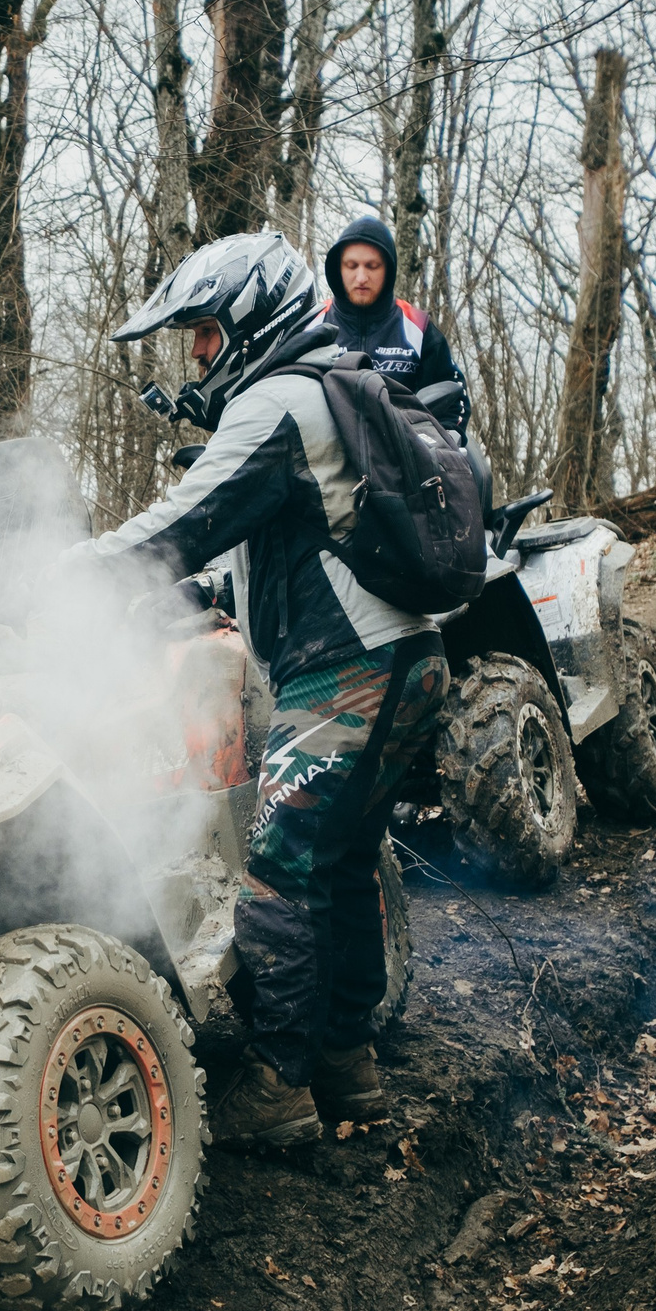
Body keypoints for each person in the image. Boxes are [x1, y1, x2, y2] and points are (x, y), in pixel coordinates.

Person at [76, 231, 452, 1148]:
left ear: (248, 319)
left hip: (347, 678)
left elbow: (183, 521)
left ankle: (278, 1090)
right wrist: (194, 594)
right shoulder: (322, 389)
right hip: (406, 662)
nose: (196, 355)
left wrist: (50, 574)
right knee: (342, 866)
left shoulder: (277, 401)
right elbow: (274, 552)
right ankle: (346, 1068)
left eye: (203, 333)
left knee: (278, 879)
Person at [324, 215, 465, 429]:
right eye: (352, 266)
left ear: (388, 269)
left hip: (403, 454)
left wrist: (446, 441)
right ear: (338, 268)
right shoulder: (313, 325)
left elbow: (453, 400)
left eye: (372, 266)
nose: (361, 277)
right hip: (324, 454)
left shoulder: (419, 327)